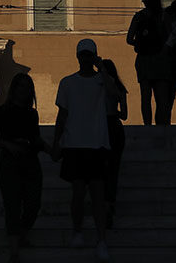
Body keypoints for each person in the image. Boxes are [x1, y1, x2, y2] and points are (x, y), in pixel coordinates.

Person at [51, 39, 119, 262]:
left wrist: (102, 68)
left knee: (98, 196)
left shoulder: (102, 80)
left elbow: (115, 94)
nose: (86, 59)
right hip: (74, 145)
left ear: (94, 56)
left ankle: (101, 240)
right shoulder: (67, 83)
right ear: (78, 56)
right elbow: (62, 115)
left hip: (97, 144)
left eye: (90, 55)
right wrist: (56, 142)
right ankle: (77, 231)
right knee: (78, 194)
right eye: (84, 55)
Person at [0, 73, 49, 263]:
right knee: (12, 205)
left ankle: (21, 234)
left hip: (30, 160)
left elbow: (36, 138)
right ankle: (14, 250)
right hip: (9, 161)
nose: (24, 91)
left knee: (33, 203)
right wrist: (8, 145)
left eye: (27, 87)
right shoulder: (1, 112)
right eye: (21, 86)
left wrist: (50, 149)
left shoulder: (32, 114)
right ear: (14, 89)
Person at [126, 0, 171, 125]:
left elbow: (129, 39)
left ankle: (147, 126)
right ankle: (160, 126)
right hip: (160, 59)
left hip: (144, 60)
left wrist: (139, 43)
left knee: (145, 97)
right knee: (161, 98)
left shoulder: (139, 16)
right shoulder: (164, 16)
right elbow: (170, 37)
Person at [101, 59, 128, 229]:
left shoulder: (99, 87)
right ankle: (110, 201)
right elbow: (124, 115)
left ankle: (104, 202)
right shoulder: (120, 88)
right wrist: (114, 111)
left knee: (103, 168)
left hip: (104, 127)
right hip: (116, 128)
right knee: (113, 168)